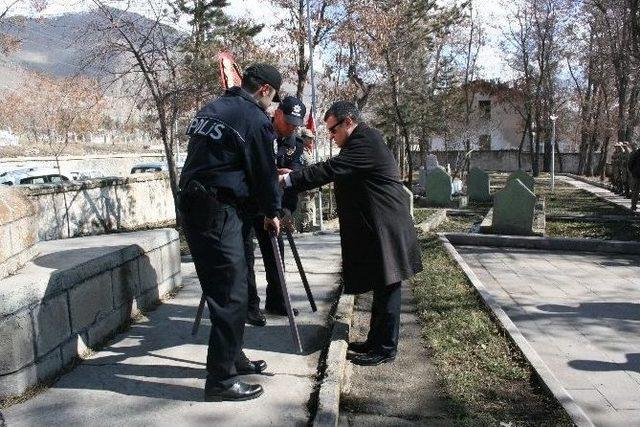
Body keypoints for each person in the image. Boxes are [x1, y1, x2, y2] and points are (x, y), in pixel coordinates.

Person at [280, 101, 423, 366]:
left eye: (333, 130)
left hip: (387, 227)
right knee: (382, 285)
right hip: (381, 226)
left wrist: (289, 180)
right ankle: (374, 340)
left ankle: (385, 348)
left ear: (348, 122)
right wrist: (296, 174)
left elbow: (331, 169)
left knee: (389, 287)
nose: (332, 138)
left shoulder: (365, 140)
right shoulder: (362, 140)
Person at [178, 63, 283, 402]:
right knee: (231, 295)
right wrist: (272, 212)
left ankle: (233, 356)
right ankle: (221, 382)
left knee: (227, 289)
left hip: (196, 206)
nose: (272, 105)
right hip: (219, 210)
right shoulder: (254, 119)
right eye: (273, 98)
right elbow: (265, 174)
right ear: (265, 90)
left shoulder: (212, 108)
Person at [246, 96, 307, 325]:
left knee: (276, 255)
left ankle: (277, 301)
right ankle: (250, 306)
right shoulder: (259, 130)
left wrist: (286, 211)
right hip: (250, 205)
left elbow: (296, 178)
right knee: (245, 257)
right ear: (278, 113)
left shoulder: (295, 144)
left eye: (295, 123)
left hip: (274, 208)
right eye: (288, 120)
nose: (291, 127)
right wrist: (273, 173)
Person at [297, 128, 318, 231]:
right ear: (303, 138)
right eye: (309, 138)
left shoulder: (308, 150)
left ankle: (308, 225)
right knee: (305, 207)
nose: (311, 140)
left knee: (310, 207)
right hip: (305, 185)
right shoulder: (299, 151)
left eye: (312, 138)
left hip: (312, 185)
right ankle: (304, 227)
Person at [627, 141, 640, 211]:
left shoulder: (636, 153)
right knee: (635, 191)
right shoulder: (636, 153)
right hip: (637, 175)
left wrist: (632, 172)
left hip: (636, 175)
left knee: (635, 191)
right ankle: (633, 205)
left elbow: (630, 164)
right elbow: (630, 164)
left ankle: (633, 206)